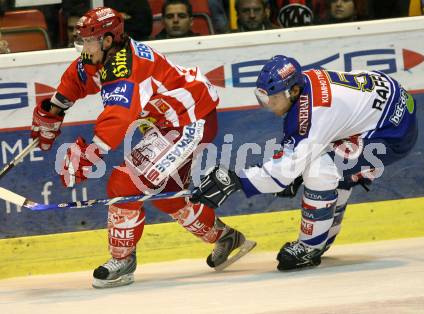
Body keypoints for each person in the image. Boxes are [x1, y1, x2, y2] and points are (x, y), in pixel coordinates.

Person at [30, 7, 255, 288]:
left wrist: (92, 153)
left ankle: (123, 261)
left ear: (108, 40)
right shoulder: (101, 54)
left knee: (124, 183)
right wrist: (54, 109)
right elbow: (78, 78)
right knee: (163, 194)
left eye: (88, 41)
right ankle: (225, 237)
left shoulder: (124, 67)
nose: (83, 48)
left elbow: (119, 117)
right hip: (170, 121)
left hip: (188, 120)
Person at [191, 55, 418, 271]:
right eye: (262, 98)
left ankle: (310, 248)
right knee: (323, 165)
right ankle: (323, 233)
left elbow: (281, 176)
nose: (268, 104)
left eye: (272, 97)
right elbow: (297, 153)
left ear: (294, 90)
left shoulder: (312, 112)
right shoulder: (304, 89)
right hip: (386, 106)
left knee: (321, 169)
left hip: (392, 132)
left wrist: (234, 181)